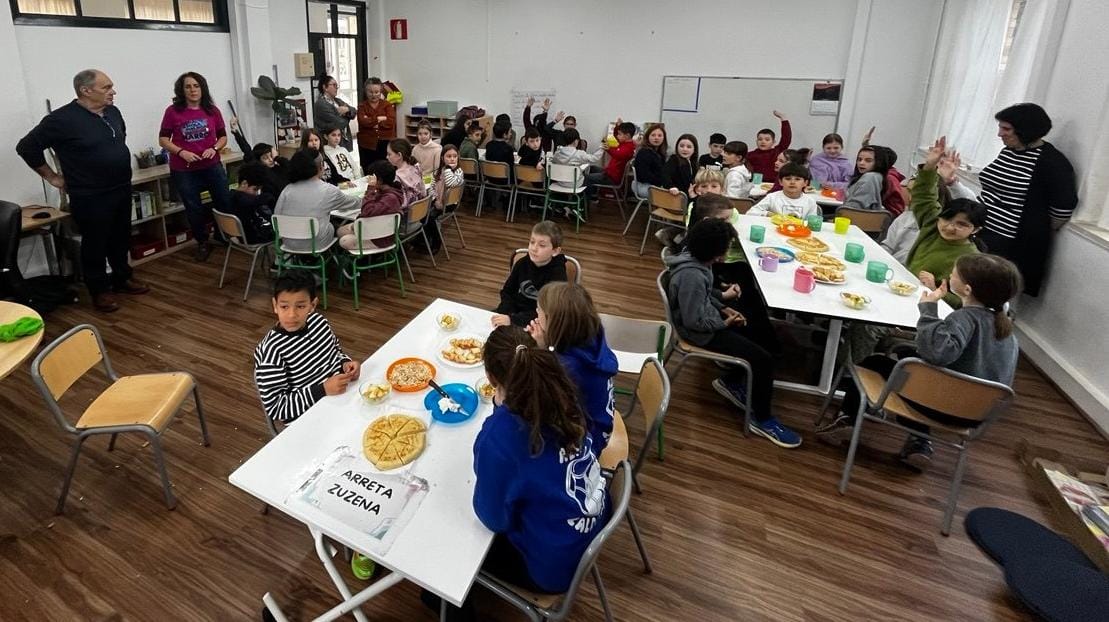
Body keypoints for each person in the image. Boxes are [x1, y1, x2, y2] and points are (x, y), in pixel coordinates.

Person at [424, 324, 607, 619]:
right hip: (590, 524)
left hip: (551, 566)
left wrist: (497, 420)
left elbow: (493, 519)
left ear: (490, 378)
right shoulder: (562, 391)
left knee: (440, 548)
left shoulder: (501, 437)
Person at [818, 253, 1021, 469]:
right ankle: (920, 443)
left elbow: (936, 354)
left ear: (967, 289)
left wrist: (928, 310)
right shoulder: (1009, 335)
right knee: (909, 362)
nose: (949, 275)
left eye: (954, 274)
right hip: (973, 416)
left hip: (935, 405)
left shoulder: (963, 318)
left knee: (874, 363)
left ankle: (847, 418)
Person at [16, 69, 148, 313]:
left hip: (120, 187)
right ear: (85, 90)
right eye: (106, 87)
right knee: (96, 242)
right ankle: (100, 290)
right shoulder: (61, 120)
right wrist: (52, 177)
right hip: (90, 194)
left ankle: (122, 277)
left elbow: (118, 140)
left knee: (120, 237)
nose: (113, 92)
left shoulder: (113, 112)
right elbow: (26, 147)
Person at [665, 218, 801, 448]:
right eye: (727, 247)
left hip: (708, 321)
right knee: (763, 360)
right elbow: (693, 320)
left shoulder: (698, 262)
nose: (728, 251)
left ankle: (732, 382)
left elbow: (705, 296)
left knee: (760, 333)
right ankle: (762, 419)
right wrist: (724, 322)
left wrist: (723, 308)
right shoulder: (692, 275)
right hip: (700, 332)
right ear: (715, 250)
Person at [978, 103, 1077, 297]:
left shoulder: (1052, 162)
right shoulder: (1009, 151)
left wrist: (1035, 226)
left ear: (1026, 130)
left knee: (990, 291)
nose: (999, 134)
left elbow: (1063, 208)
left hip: (1007, 240)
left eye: (1006, 129)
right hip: (981, 228)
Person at [253, 271, 360, 423]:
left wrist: (345, 364)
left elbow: (335, 352)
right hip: (309, 419)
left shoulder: (319, 322)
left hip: (341, 399)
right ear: (275, 306)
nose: (292, 314)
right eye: (284, 306)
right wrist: (323, 390)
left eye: (300, 306)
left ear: (312, 305)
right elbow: (276, 408)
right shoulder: (271, 352)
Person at [527, 282, 617, 446]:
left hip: (586, 440)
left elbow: (545, 403)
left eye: (539, 310)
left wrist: (542, 351)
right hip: (599, 420)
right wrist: (546, 345)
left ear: (554, 321)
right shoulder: (591, 334)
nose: (536, 313)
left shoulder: (568, 368)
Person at [157, 71, 232, 263]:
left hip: (211, 165)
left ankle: (222, 235)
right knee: (193, 207)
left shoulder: (212, 110)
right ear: (181, 90)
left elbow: (223, 137)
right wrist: (181, 152)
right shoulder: (172, 111)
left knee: (223, 200)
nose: (192, 90)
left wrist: (214, 148)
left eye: (196, 86)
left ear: (202, 88)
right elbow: (163, 140)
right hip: (184, 169)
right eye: (188, 86)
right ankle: (202, 242)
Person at [273, 148, 360, 252]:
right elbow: (355, 203)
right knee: (337, 225)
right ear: (321, 166)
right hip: (316, 242)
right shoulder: (328, 190)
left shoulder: (287, 189)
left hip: (288, 242)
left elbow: (277, 214)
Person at [492, 221, 568, 327]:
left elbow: (549, 312)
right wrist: (506, 313)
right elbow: (507, 291)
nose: (534, 248)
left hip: (537, 323)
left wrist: (513, 320)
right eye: (532, 242)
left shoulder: (558, 275)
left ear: (555, 251)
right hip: (514, 314)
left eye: (542, 245)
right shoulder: (522, 263)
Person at [336, 160, 404, 250]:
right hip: (374, 226)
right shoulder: (384, 191)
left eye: (371, 177)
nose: (368, 180)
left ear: (379, 180)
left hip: (382, 237)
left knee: (344, 241)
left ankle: (368, 255)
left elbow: (366, 212)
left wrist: (370, 189)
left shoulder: (390, 198)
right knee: (340, 231)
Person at [749, 162, 820, 219]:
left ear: (805, 183)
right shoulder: (772, 197)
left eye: (797, 179)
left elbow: (813, 222)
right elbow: (751, 212)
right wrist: (768, 214)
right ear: (780, 182)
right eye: (788, 179)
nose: (792, 182)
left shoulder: (810, 201)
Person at [228, 163, 275, 244]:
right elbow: (257, 200)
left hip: (243, 236)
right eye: (255, 189)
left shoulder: (231, 195)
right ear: (244, 184)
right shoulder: (243, 200)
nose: (256, 193)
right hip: (252, 238)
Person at [356, 77, 396, 166]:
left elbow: (391, 122)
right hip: (366, 144)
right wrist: (379, 119)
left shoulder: (387, 105)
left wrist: (371, 120)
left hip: (385, 143)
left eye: (376, 92)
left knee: (385, 168)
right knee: (368, 168)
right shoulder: (362, 106)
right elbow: (362, 121)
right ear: (366, 92)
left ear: (381, 91)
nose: (373, 95)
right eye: (370, 92)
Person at [841, 145, 892, 211]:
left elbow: (854, 207)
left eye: (868, 160)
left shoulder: (870, 177)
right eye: (859, 159)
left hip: (853, 215)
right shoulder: (876, 176)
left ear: (878, 162)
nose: (861, 163)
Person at [745, 110, 791, 183]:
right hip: (756, 183)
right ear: (756, 141)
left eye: (767, 140)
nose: (763, 142)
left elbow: (786, 138)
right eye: (760, 139)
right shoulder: (750, 155)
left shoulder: (777, 151)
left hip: (774, 183)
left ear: (773, 142)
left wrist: (783, 119)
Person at [314, 74, 355, 150]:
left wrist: (347, 109)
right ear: (325, 87)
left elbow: (354, 111)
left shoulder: (338, 101)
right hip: (329, 144)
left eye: (337, 86)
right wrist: (348, 117)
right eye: (334, 85)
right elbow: (339, 123)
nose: (336, 88)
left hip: (344, 141)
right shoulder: (321, 104)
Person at [386, 139, 427, 207]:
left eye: (389, 154)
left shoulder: (396, 176)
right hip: (422, 208)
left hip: (408, 211)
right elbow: (424, 193)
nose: (387, 157)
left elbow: (402, 204)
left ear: (399, 155)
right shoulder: (416, 166)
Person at [632, 123, 668, 198]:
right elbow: (644, 175)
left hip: (653, 185)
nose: (656, 138)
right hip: (644, 186)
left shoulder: (660, 152)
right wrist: (662, 182)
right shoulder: (644, 152)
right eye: (653, 135)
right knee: (673, 196)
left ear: (664, 138)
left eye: (659, 135)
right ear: (648, 137)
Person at [483, 120, 516, 187]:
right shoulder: (508, 149)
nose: (511, 134)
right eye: (510, 132)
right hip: (505, 180)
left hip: (490, 177)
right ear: (504, 135)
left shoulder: (489, 145)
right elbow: (511, 167)